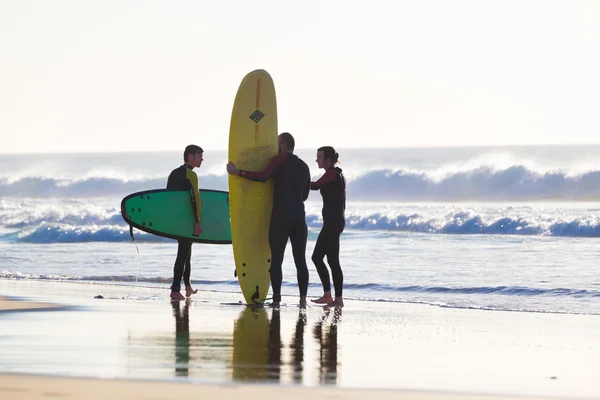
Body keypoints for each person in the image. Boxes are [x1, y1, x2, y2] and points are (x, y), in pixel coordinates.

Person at [226, 132, 311, 308]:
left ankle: (277, 300)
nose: (275, 146)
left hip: (281, 216)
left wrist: (238, 172)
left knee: (276, 259)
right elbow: (306, 194)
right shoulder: (304, 166)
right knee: (300, 261)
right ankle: (303, 301)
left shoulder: (279, 160)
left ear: (284, 146)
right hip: (299, 217)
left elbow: (263, 177)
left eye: (277, 143)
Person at [310, 146, 346, 307]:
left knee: (316, 257)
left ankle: (329, 296)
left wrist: (296, 180)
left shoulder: (332, 173)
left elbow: (316, 186)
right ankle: (336, 299)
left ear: (329, 160)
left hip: (332, 224)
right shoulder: (335, 173)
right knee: (332, 261)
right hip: (335, 222)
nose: (317, 160)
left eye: (319, 157)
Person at [167, 145, 204, 301]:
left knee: (186, 253)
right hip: (187, 220)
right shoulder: (191, 175)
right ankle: (175, 290)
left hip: (176, 220)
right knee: (183, 254)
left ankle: (187, 286)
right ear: (189, 157)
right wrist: (197, 221)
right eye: (199, 155)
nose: (201, 159)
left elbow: (167, 198)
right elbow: (196, 199)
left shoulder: (174, 173)